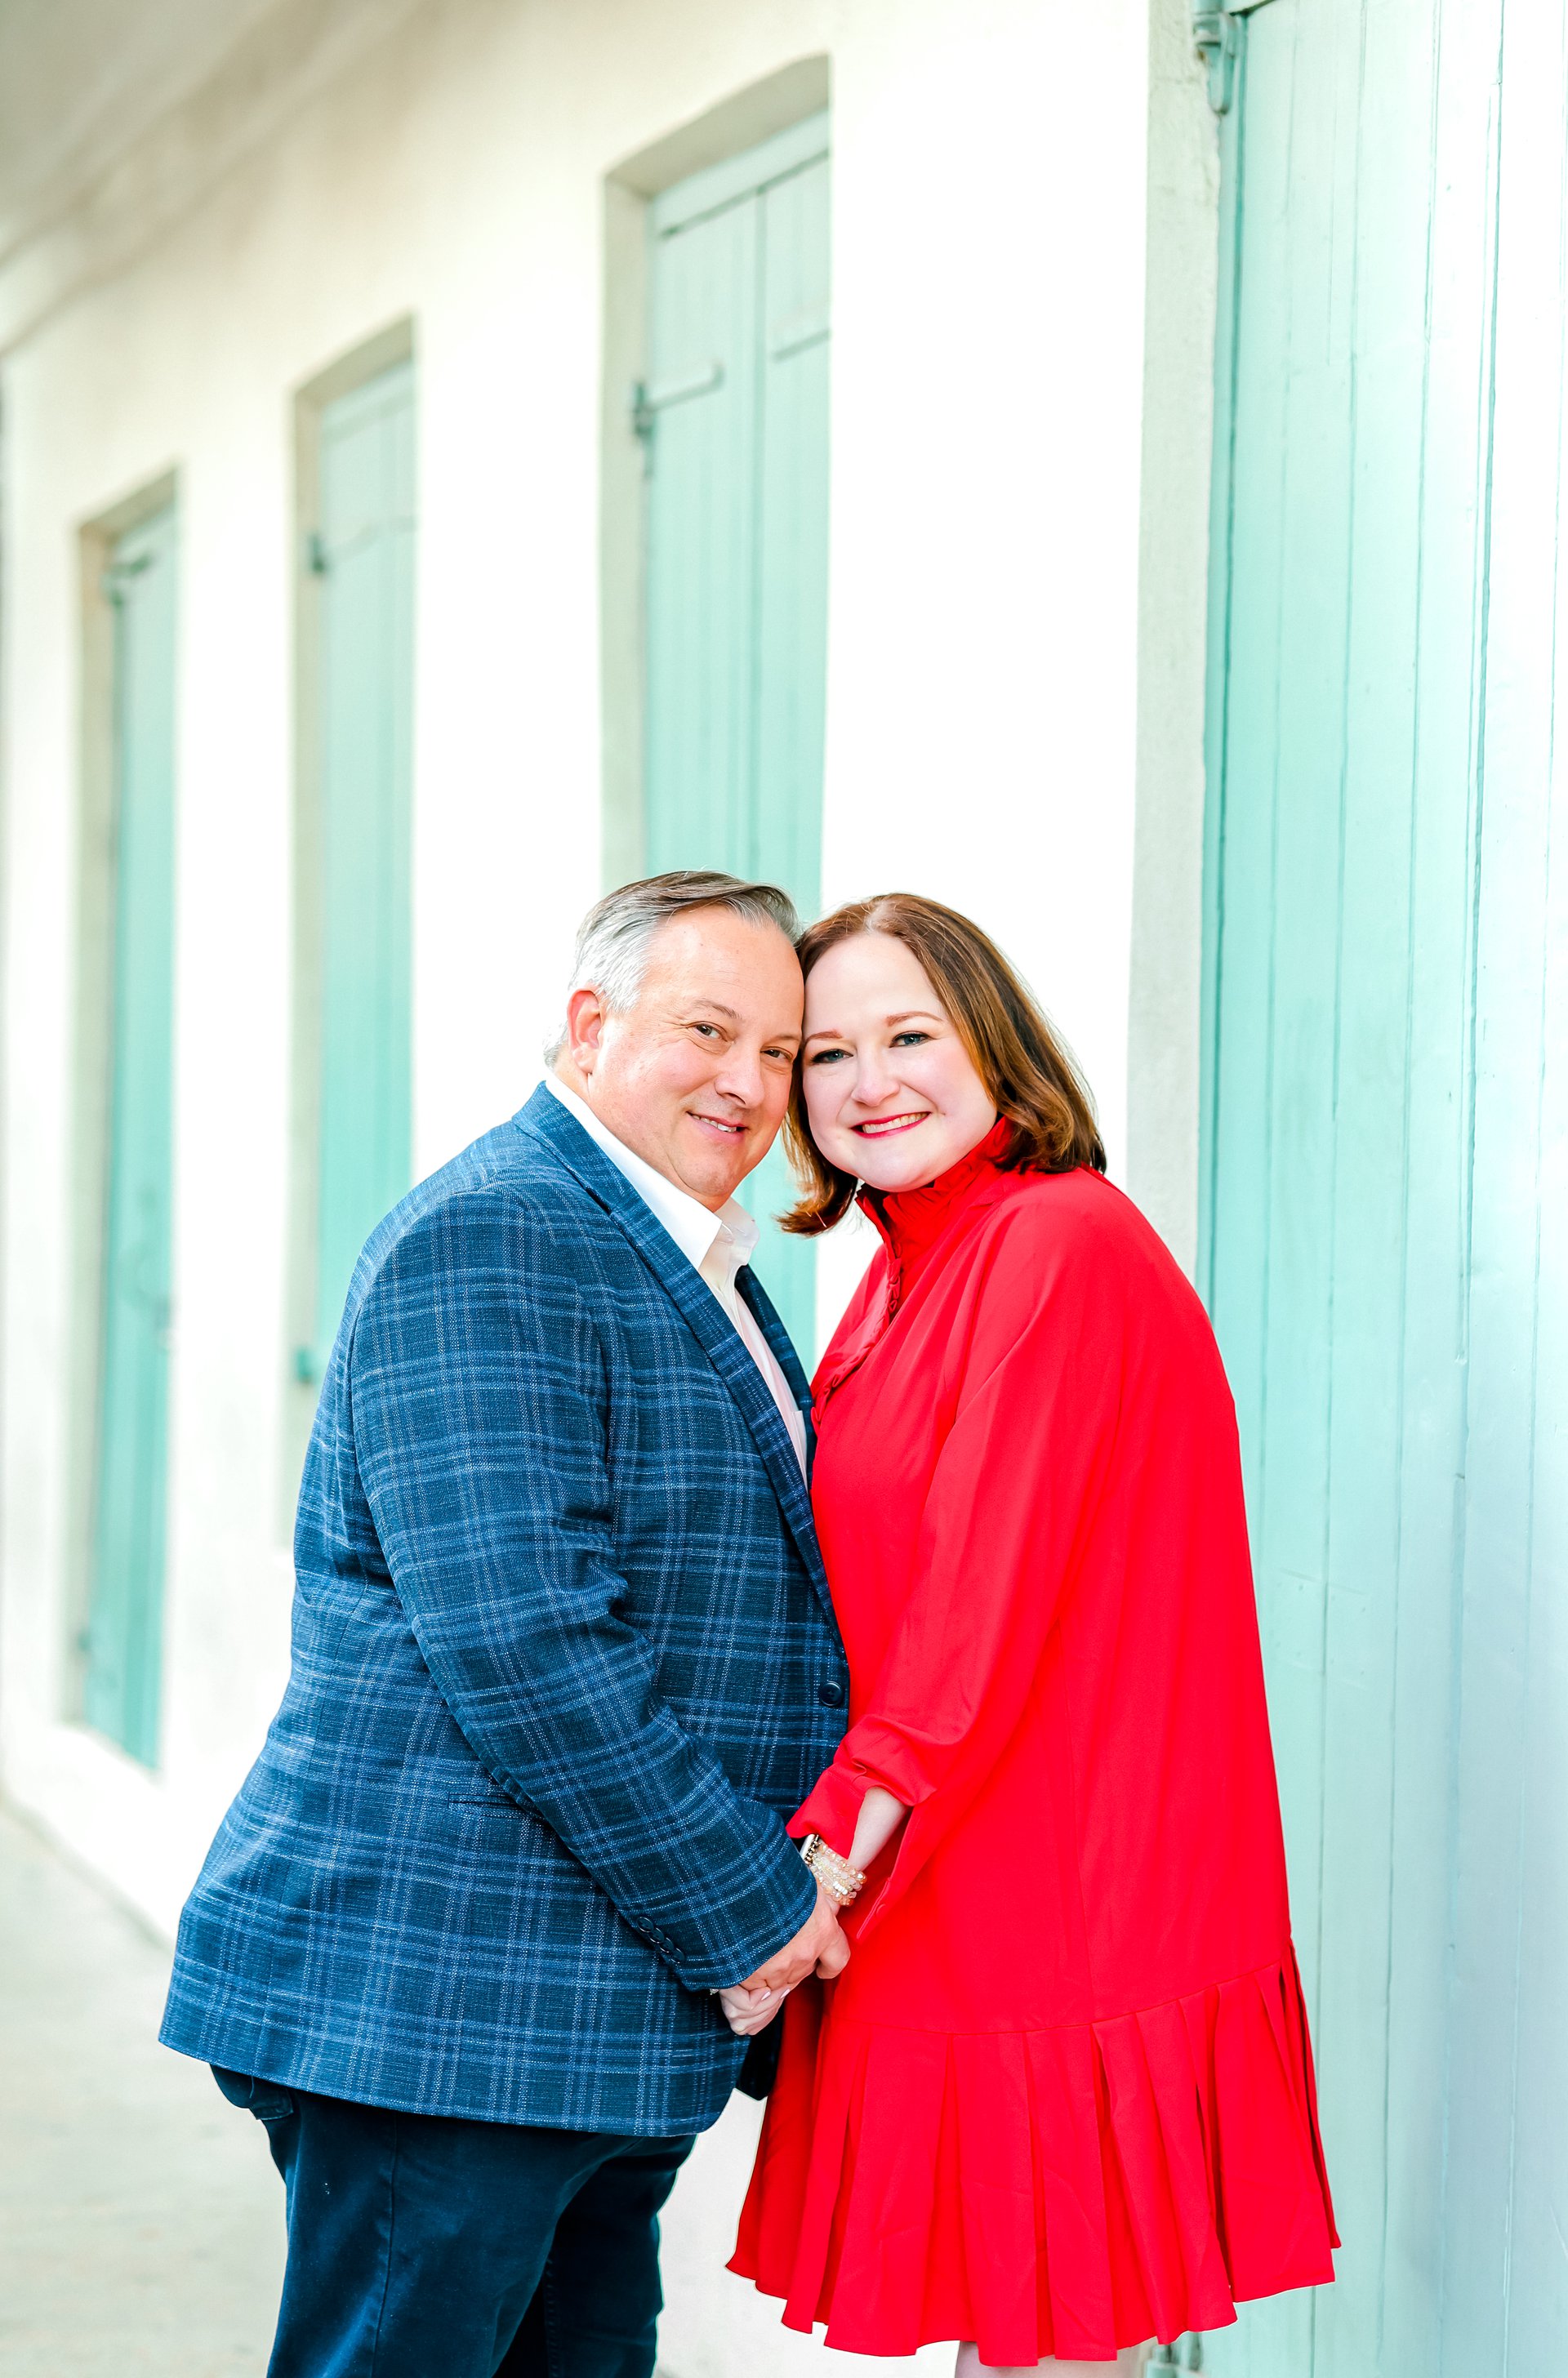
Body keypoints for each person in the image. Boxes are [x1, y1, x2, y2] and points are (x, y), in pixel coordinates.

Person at [160, 871, 852, 2378]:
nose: (749, 1083)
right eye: (709, 1030)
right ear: (591, 1026)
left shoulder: (676, 1250)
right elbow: (531, 1648)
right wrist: (756, 1910)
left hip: (586, 2019)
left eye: (781, 1051)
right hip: (445, 2008)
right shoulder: (498, 1236)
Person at [727, 894, 1338, 2375]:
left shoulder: (1055, 1243)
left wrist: (820, 1870)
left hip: (1056, 1880)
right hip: (954, 1867)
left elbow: (972, 1616)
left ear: (995, 1043)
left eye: (910, 1035)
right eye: (827, 1053)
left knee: (1052, 2339)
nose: (869, 1082)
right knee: (1010, 2334)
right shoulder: (906, 1267)